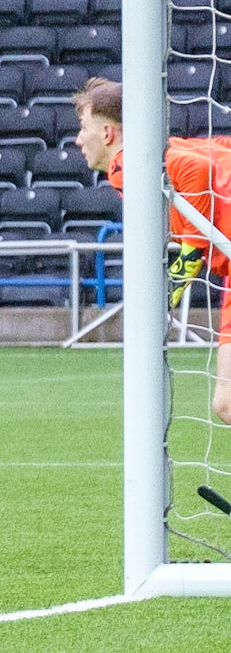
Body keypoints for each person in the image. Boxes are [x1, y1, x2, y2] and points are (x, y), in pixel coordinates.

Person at [75, 77, 231, 424]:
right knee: (227, 405)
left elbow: (198, 168)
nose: (77, 139)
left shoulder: (128, 165)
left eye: (83, 127)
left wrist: (189, 253)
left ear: (107, 134)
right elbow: (216, 151)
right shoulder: (162, 150)